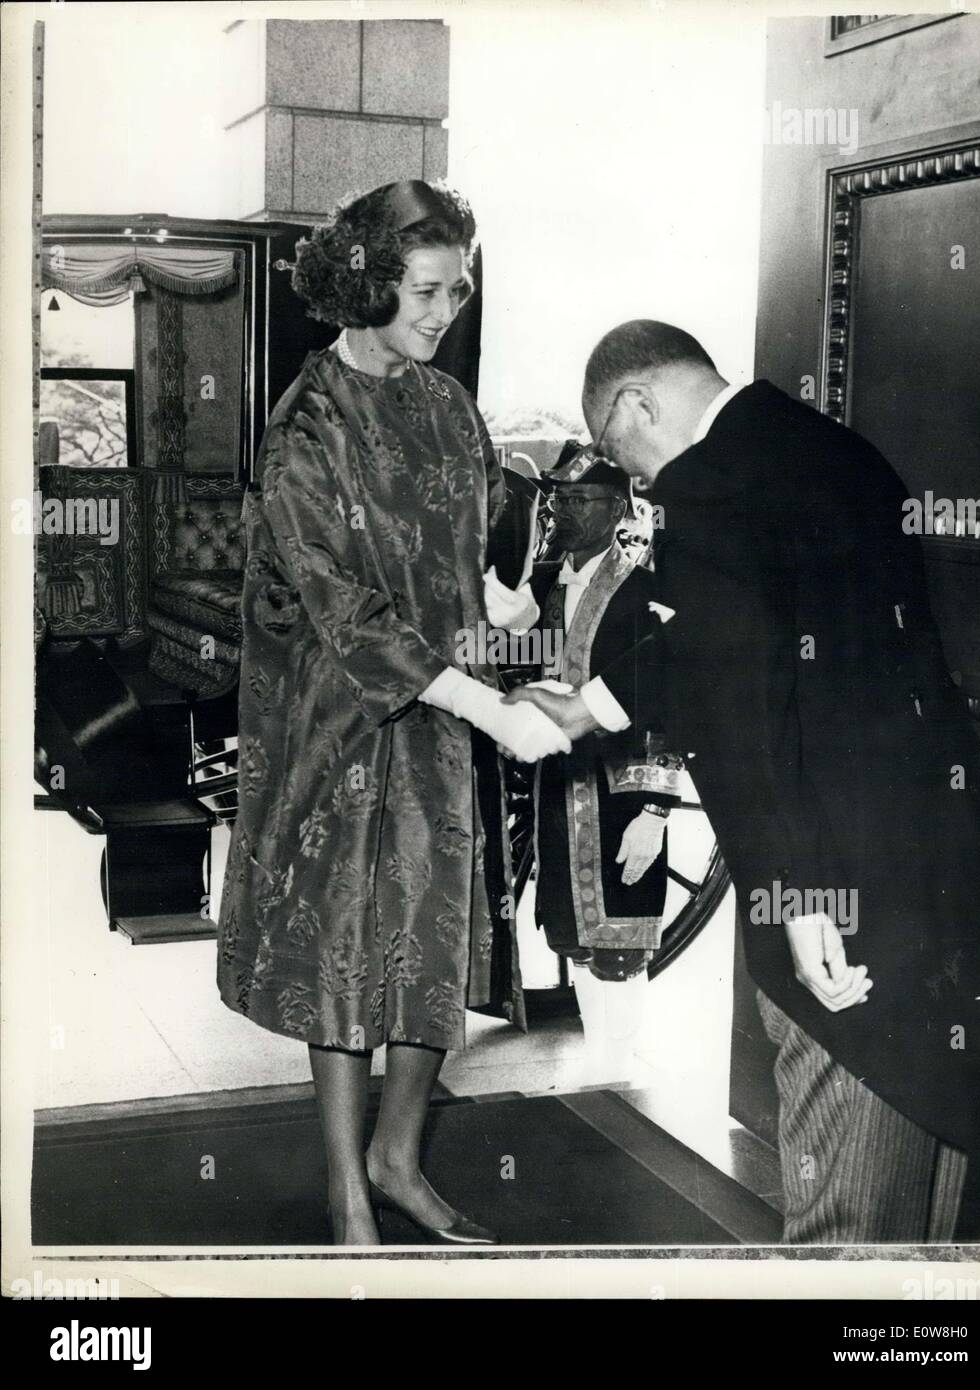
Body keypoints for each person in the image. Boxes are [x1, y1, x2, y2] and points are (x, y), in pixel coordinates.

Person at [508, 320, 980, 1243]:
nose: (640, 482)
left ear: (638, 404)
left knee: (848, 1196)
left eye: (625, 455)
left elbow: (744, 712)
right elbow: (723, 632)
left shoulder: (710, 487)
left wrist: (802, 895)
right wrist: (592, 705)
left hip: (832, 875)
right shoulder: (836, 452)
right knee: (935, 1165)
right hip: (933, 855)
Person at [216, 179, 569, 1247]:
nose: (442, 313)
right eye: (425, 291)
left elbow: (462, 573)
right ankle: (345, 1190)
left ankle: (397, 1158)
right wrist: (483, 702)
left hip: (438, 721)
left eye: (457, 292)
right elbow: (340, 607)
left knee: (430, 935)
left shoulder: (449, 406)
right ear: (367, 281)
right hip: (332, 721)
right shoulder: (305, 424)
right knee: (343, 947)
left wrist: (510, 628)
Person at [527, 444, 686, 1085]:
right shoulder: (543, 584)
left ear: (617, 508)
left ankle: (612, 1072)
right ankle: (600, 1068)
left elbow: (674, 700)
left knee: (619, 939)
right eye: (557, 498)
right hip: (559, 789)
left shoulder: (642, 589)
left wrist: (656, 811)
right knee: (576, 931)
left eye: (578, 499)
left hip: (622, 791)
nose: (561, 509)